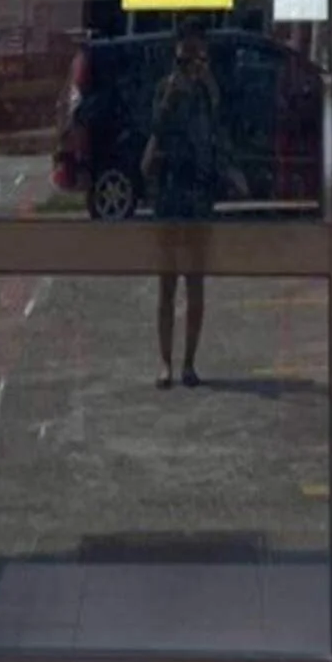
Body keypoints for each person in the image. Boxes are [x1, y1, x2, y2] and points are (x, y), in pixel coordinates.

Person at [142, 19, 221, 388]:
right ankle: (164, 362)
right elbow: (155, 130)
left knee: (195, 281)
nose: (190, 67)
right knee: (166, 282)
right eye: (183, 60)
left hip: (198, 194)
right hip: (170, 192)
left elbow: (217, 135)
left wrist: (207, 88)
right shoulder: (165, 89)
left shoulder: (209, 93)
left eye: (196, 59)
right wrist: (173, 95)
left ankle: (189, 362)